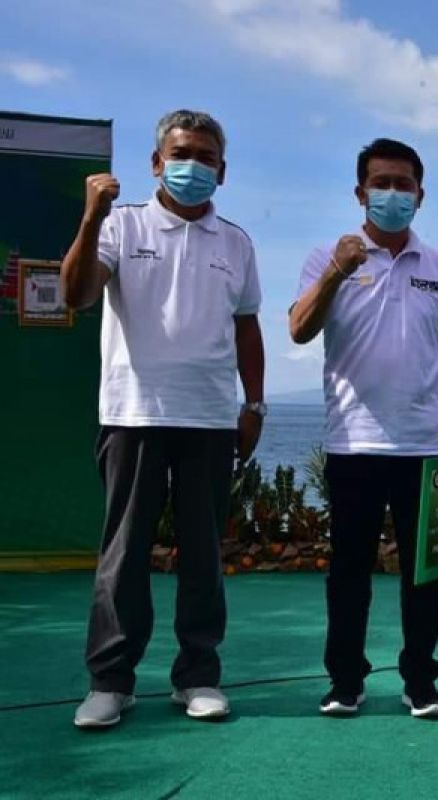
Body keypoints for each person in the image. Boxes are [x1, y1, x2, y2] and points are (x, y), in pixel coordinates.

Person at [63, 109, 266, 728]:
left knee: (204, 553)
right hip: (133, 414)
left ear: (222, 171)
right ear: (156, 162)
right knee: (123, 553)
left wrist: (253, 403)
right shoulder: (120, 226)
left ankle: (198, 676)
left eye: (206, 157)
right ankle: (111, 681)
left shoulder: (236, 242)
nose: (193, 166)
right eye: (182, 154)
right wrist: (92, 214)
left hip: (208, 418)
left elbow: (248, 327)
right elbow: (75, 295)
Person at [289, 138, 438, 719]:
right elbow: (299, 330)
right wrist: (335, 273)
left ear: (421, 195)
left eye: (404, 184)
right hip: (353, 442)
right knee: (348, 571)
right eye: (382, 183)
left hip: (425, 441)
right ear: (360, 192)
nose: (393, 194)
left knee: (427, 573)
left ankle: (420, 682)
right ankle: (345, 682)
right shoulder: (329, 255)